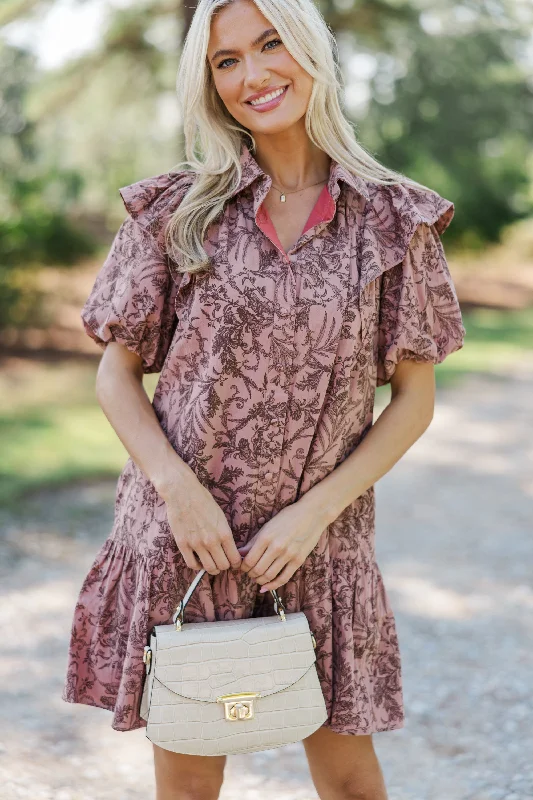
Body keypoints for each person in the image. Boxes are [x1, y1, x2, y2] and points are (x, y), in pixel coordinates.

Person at [62, 0, 466, 797]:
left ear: (309, 48)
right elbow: (117, 372)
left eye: (270, 44)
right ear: (208, 84)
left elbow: (413, 400)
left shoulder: (392, 219)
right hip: (188, 541)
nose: (253, 75)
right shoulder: (176, 210)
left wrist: (312, 514)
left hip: (319, 543)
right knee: (187, 787)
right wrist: (177, 493)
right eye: (226, 60)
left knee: (351, 782)